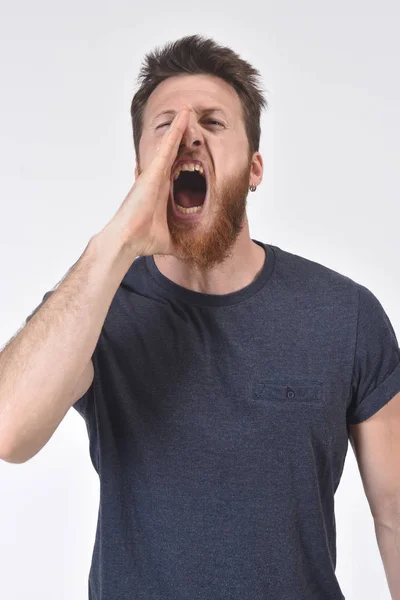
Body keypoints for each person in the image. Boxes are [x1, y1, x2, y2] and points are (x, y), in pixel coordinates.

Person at [1, 34, 399, 600]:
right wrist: (118, 239)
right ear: (140, 169)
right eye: (165, 127)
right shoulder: (95, 308)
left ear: (255, 167)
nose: (186, 135)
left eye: (212, 122)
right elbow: (8, 428)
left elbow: (395, 517)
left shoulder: (345, 313)